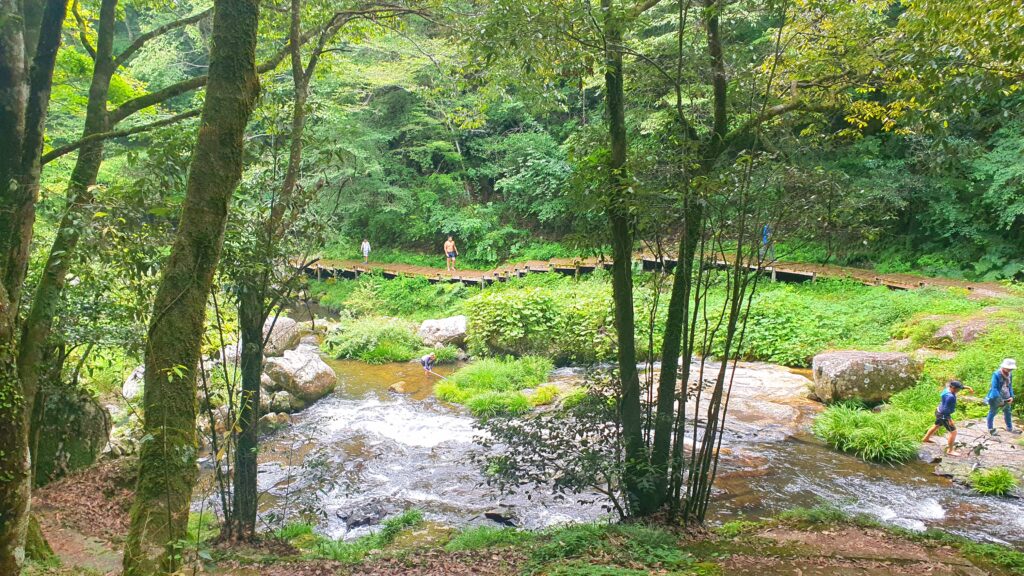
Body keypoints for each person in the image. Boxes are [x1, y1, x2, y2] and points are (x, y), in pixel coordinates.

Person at [922, 380, 973, 456]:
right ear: (953, 388)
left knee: (937, 425)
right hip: (943, 414)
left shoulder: (947, 389)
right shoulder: (950, 397)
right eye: (958, 390)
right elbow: (945, 410)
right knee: (953, 432)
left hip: (938, 410)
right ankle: (950, 450)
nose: (958, 391)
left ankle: (925, 439)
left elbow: (959, 387)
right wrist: (949, 420)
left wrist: (968, 388)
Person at [986, 358, 1019, 435]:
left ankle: (1009, 428)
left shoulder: (1010, 374)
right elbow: (994, 388)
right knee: (992, 412)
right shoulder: (996, 374)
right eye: (1008, 368)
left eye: (1011, 369)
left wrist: (1011, 396)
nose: (1010, 370)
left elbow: (1009, 386)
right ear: (1004, 367)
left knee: (1008, 412)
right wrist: (999, 400)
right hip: (996, 398)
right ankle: (990, 429)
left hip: (1007, 396)